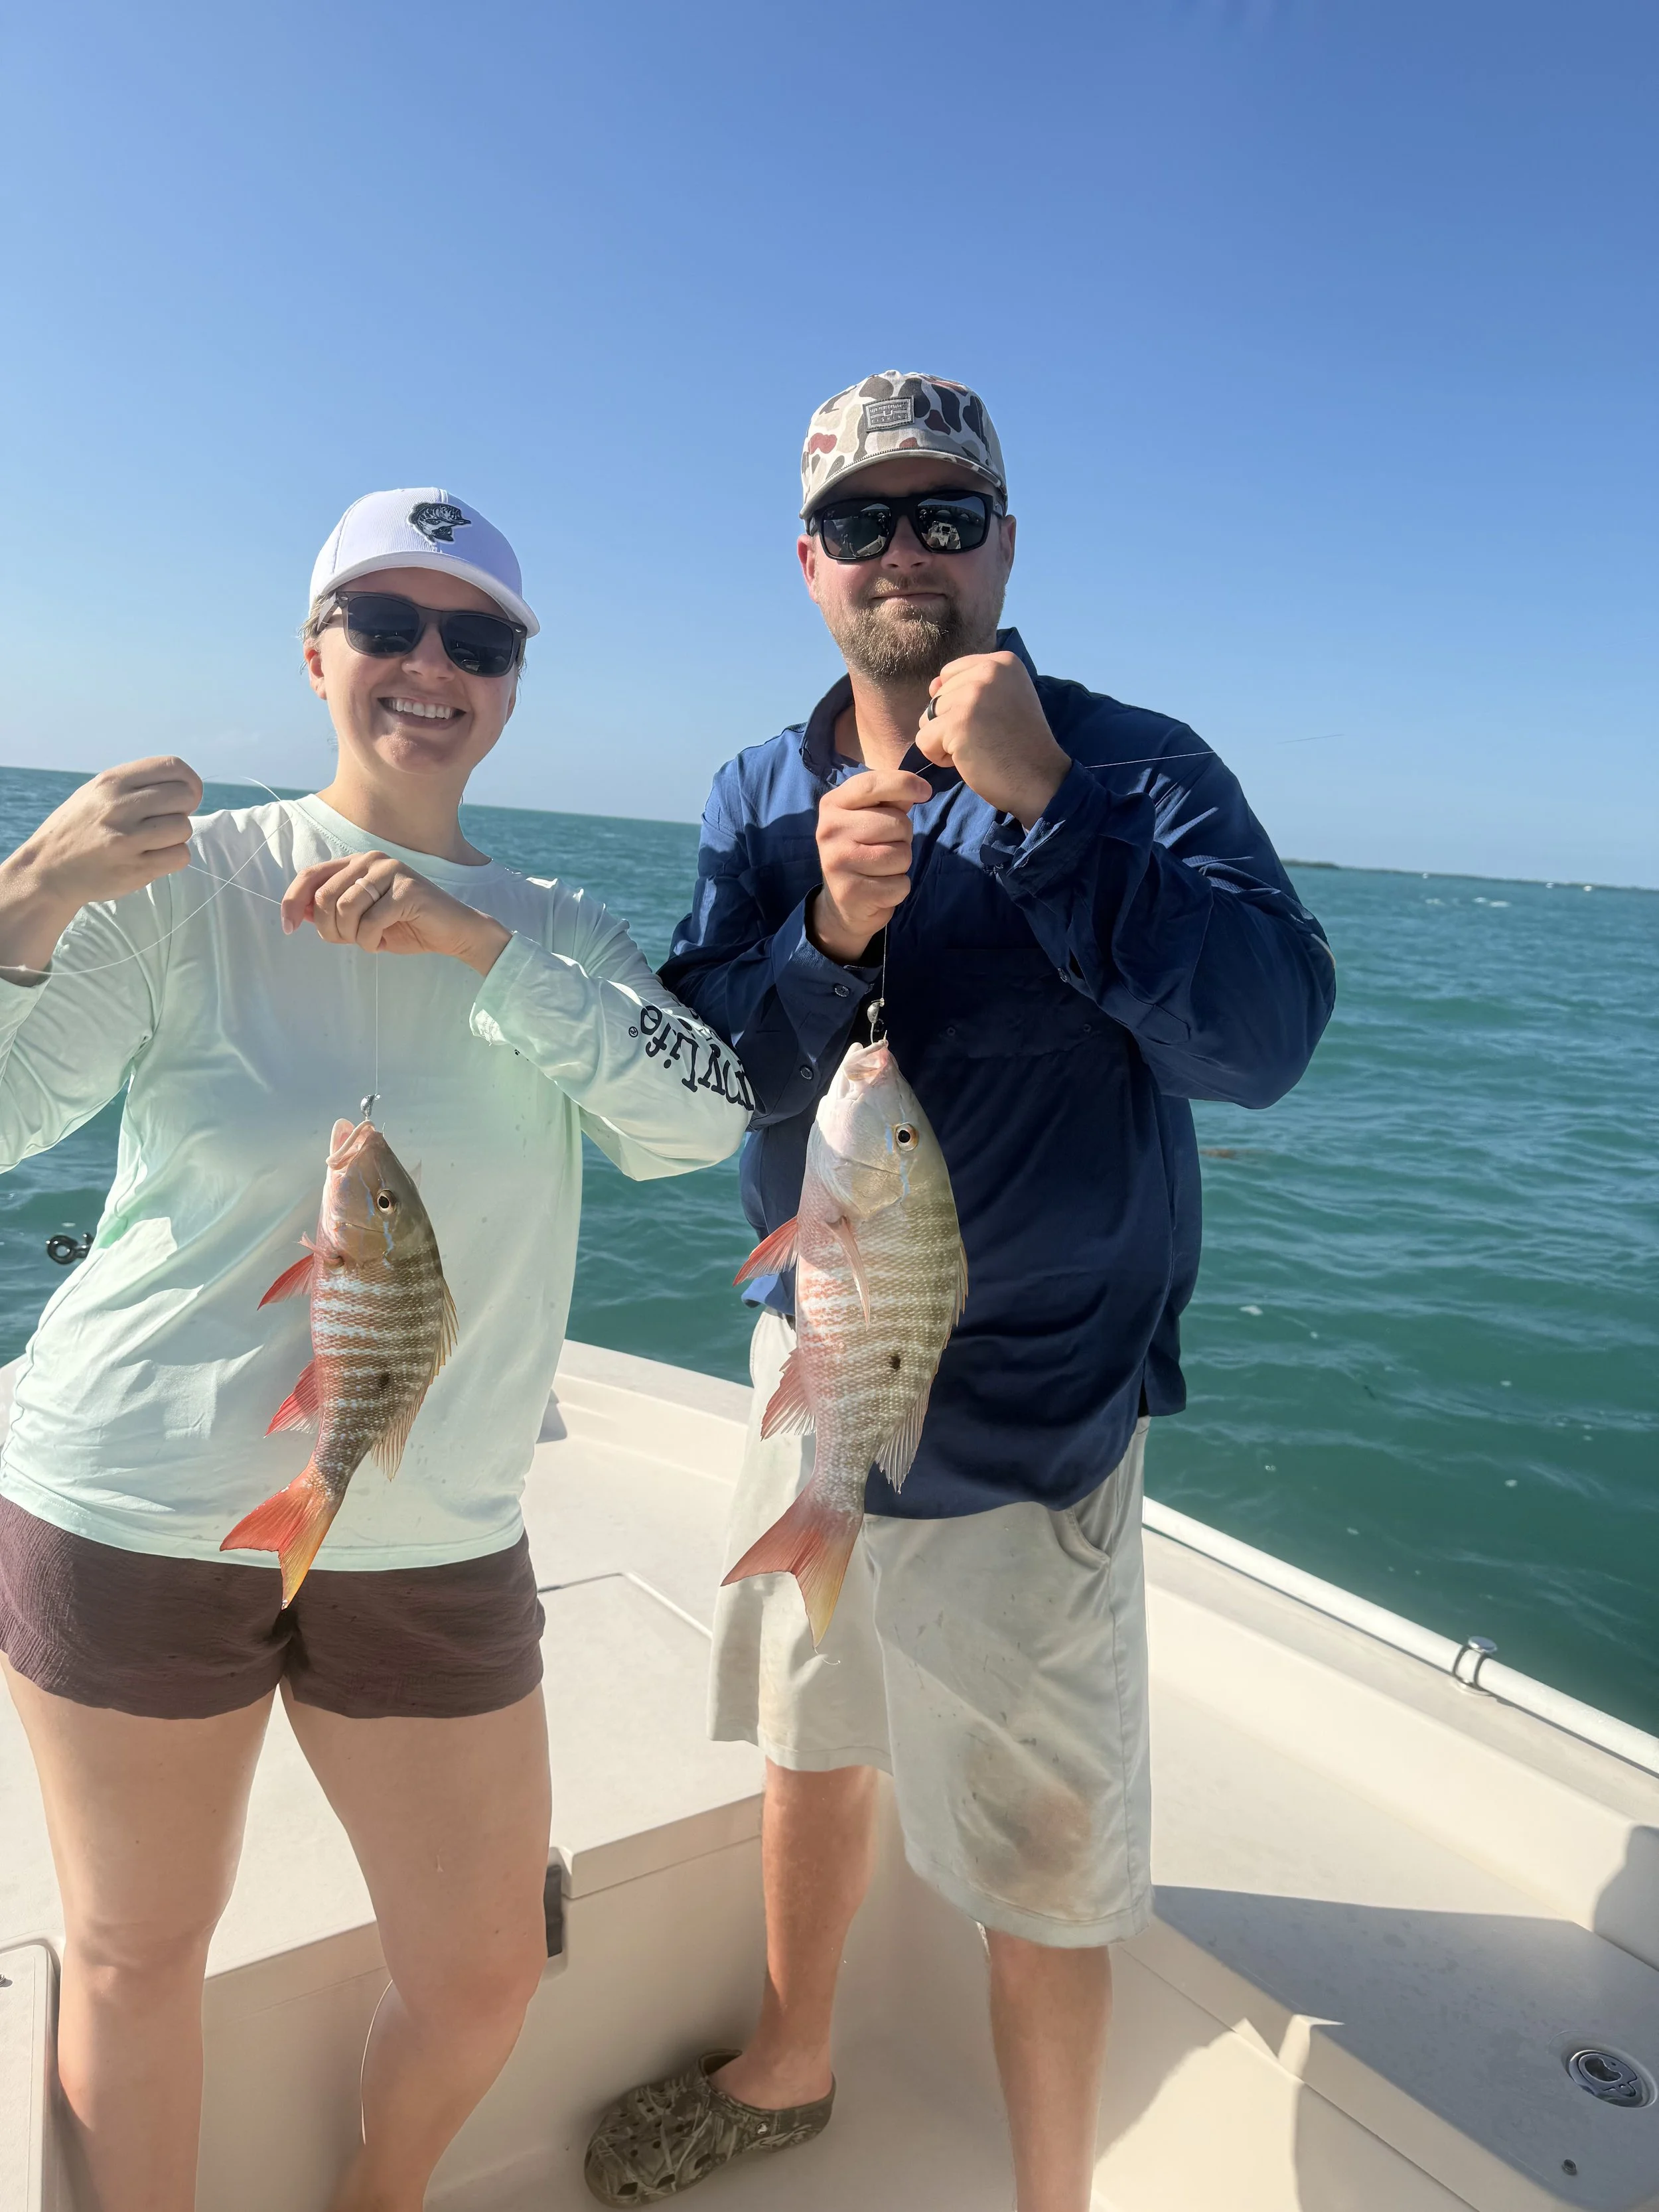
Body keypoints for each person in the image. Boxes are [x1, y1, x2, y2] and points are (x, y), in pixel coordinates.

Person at [583, 376, 1336, 2211]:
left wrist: (1055, 813)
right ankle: (789, 2059)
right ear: (808, 562)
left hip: (1035, 1422)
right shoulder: (759, 791)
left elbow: (1262, 1041)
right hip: (819, 1361)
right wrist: (817, 936)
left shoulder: (1136, 766)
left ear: (1005, 540)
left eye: (944, 513)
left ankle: (1049, 2195)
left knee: (1047, 1855)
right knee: (808, 1740)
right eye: (861, 521)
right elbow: (709, 1074)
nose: (902, 551)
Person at [0, 488, 751, 2212]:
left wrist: (480, 948)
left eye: (476, 638)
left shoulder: (554, 924)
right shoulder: (187, 884)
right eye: (387, 623)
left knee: (485, 1963)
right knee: (134, 1953)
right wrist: (29, 889)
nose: (431, 665)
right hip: (134, 1497)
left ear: (510, 681)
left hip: (431, 1522)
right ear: (316, 648)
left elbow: (703, 1121)